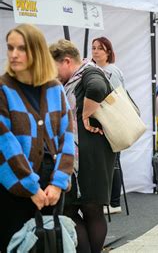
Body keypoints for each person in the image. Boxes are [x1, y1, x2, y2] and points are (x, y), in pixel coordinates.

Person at [0, 24, 74, 252]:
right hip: (14, 186)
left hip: (51, 186)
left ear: (37, 51)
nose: (14, 54)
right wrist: (30, 187)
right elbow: (5, 143)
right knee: (17, 245)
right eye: (10, 47)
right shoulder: (3, 89)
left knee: (51, 244)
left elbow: (67, 138)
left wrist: (59, 183)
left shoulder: (55, 88)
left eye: (21, 48)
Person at [50, 40, 116, 253]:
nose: (54, 74)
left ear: (67, 61)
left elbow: (97, 88)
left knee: (85, 210)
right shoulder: (83, 75)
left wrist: (86, 113)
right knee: (78, 209)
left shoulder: (89, 74)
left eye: (55, 67)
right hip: (88, 154)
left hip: (88, 157)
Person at [91, 37, 125, 215]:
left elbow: (118, 97)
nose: (96, 51)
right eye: (94, 48)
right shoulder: (93, 70)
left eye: (100, 49)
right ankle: (109, 201)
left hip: (112, 120)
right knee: (107, 163)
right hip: (101, 121)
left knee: (113, 162)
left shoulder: (111, 71)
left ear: (108, 52)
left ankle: (114, 202)